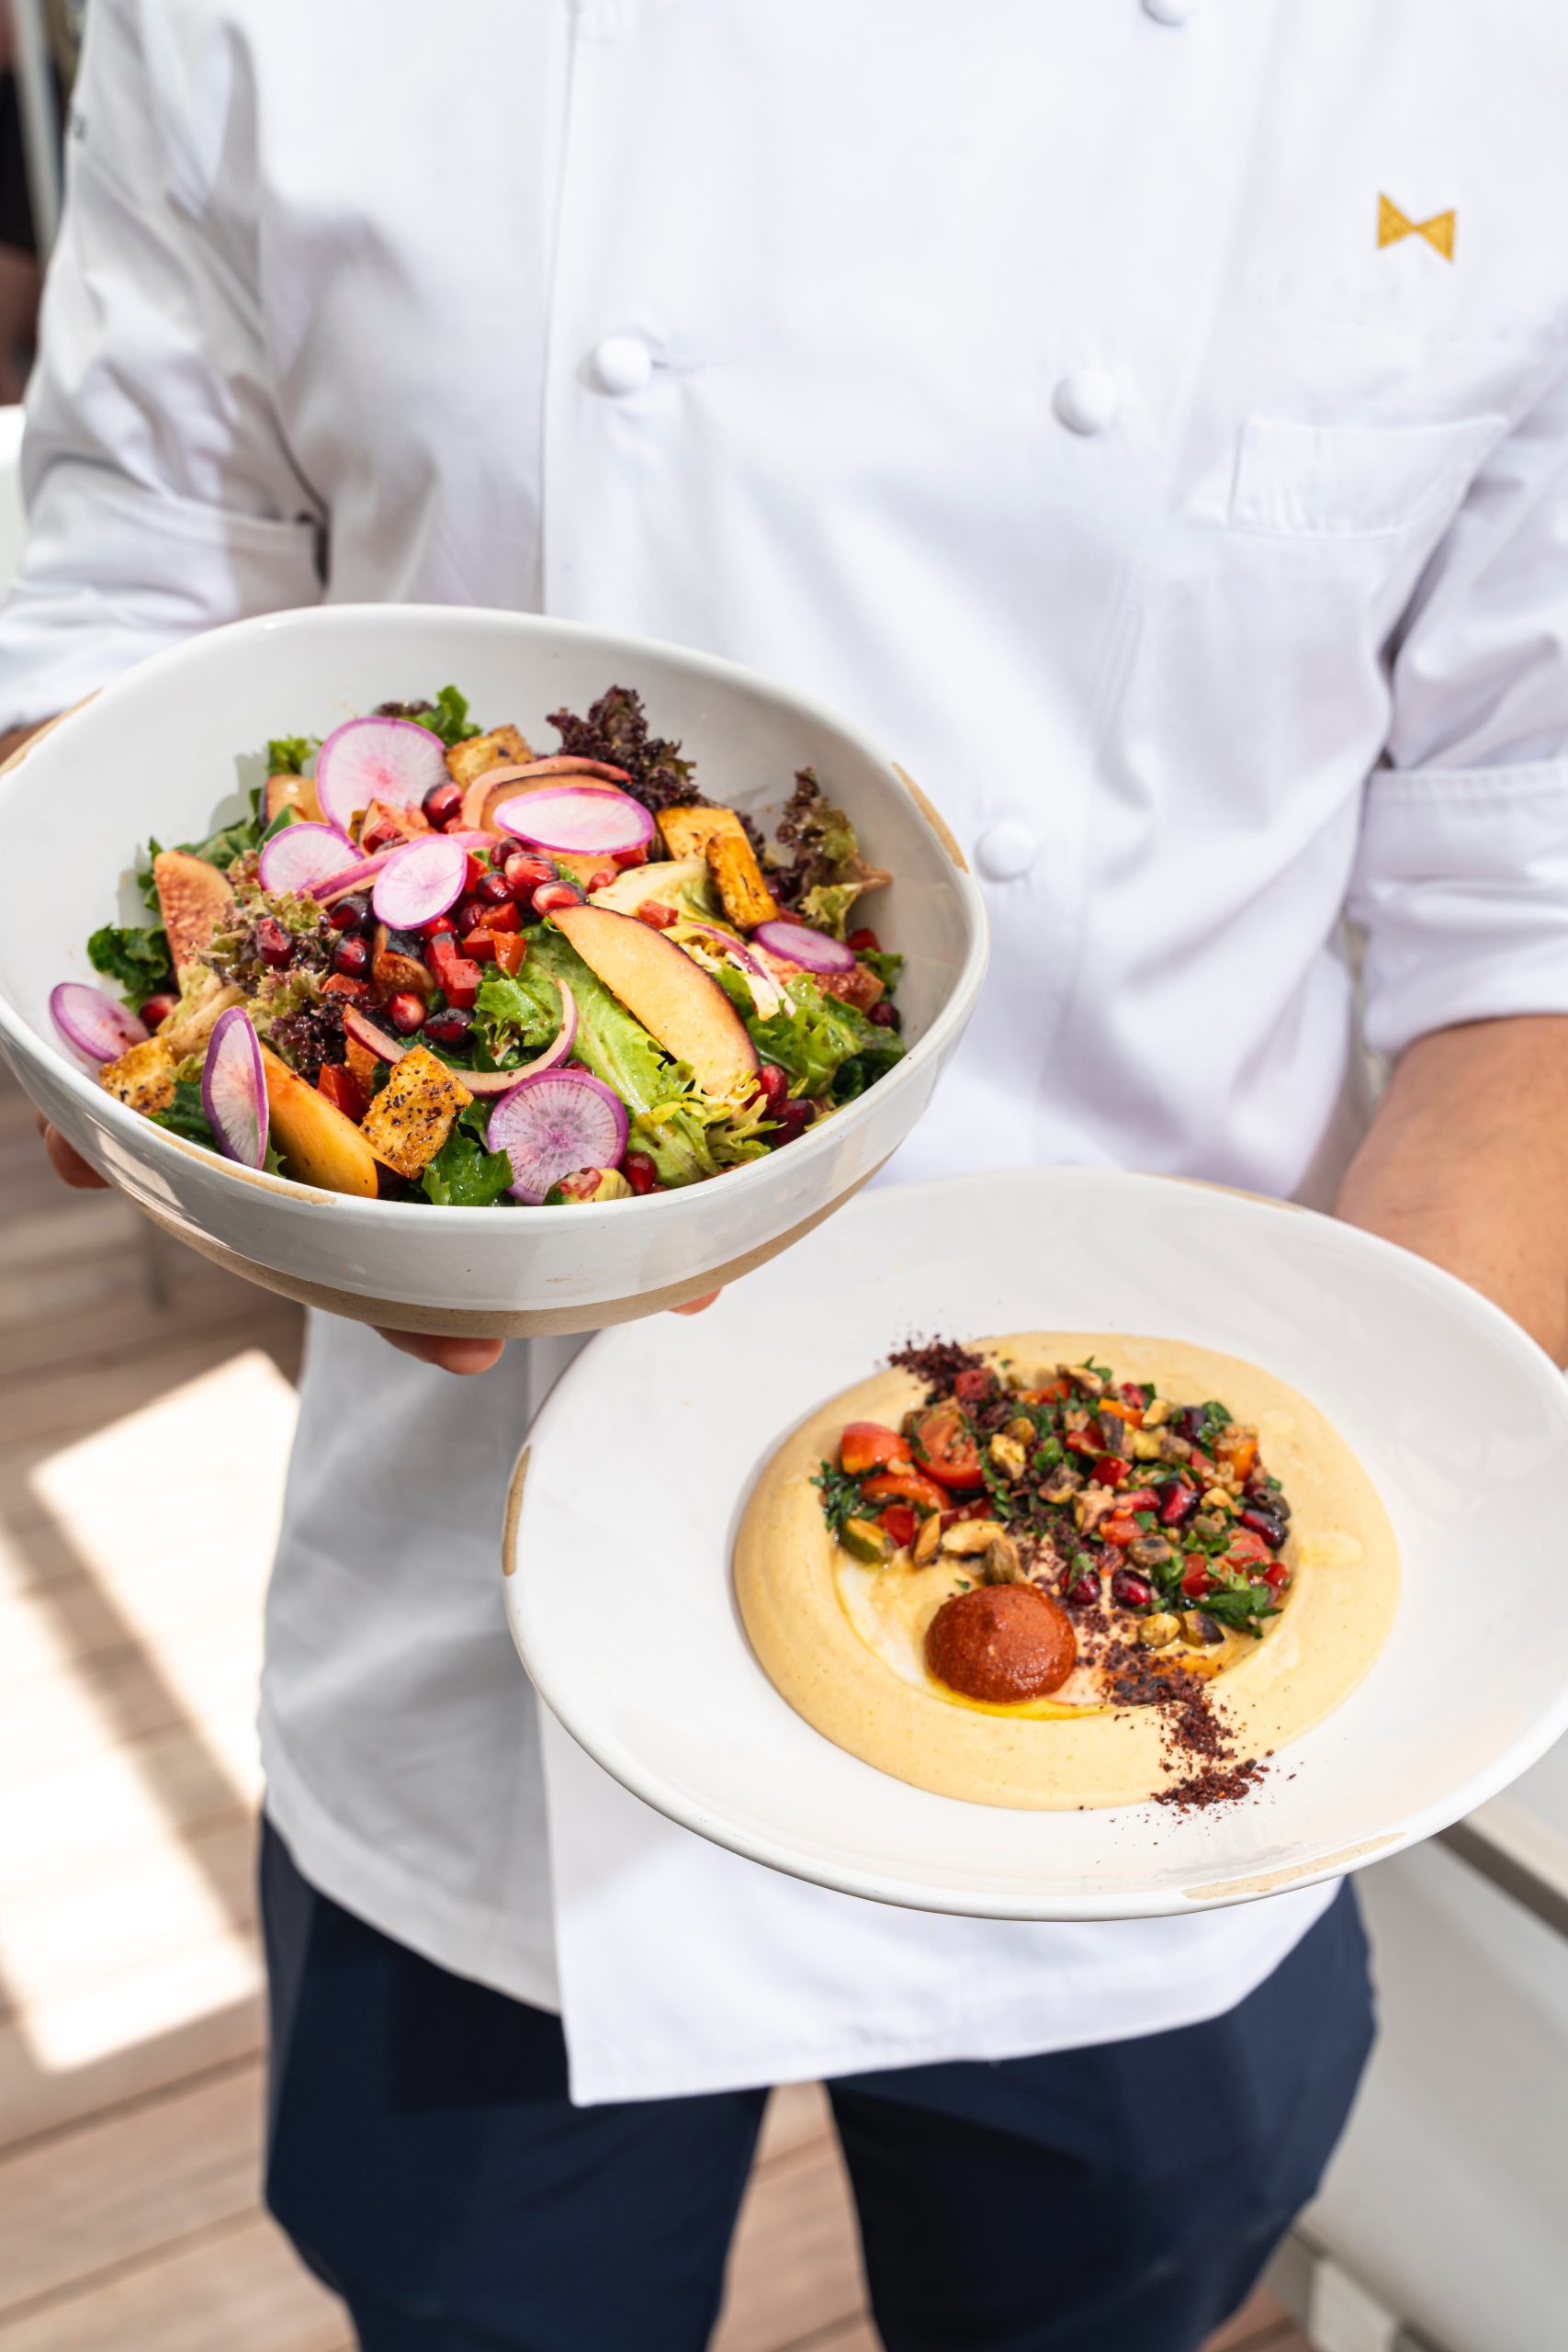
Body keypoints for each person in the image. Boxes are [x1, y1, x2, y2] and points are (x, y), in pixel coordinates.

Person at [8, 5, 1568, 2346]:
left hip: (1179, 1680)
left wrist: (1316, 1551)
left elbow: (1527, 903)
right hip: (473, 1593)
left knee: (1111, 2295)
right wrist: (232, 1122)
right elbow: (121, 646)